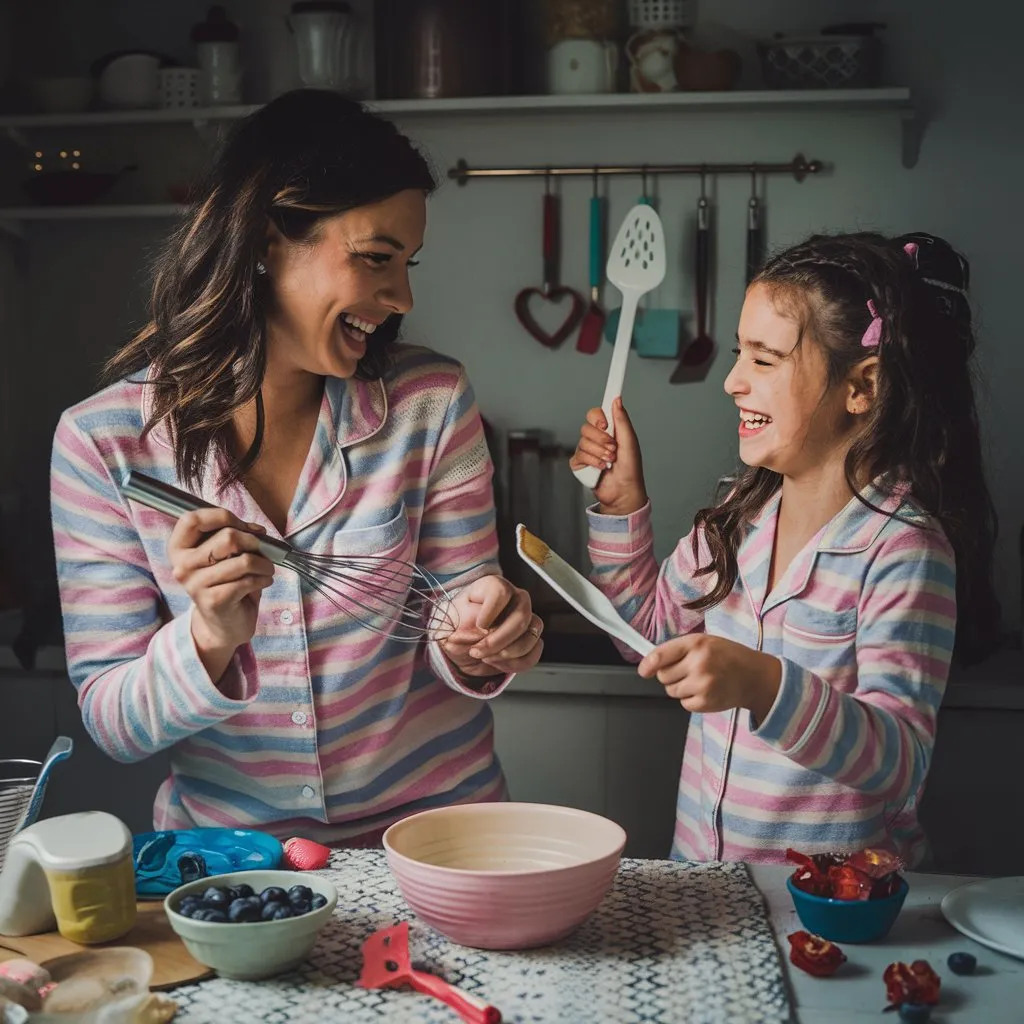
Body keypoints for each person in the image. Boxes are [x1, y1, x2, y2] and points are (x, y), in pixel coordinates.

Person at [50, 89, 543, 845]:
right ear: (265, 239)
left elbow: (455, 610)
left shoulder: (430, 401)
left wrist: (480, 635)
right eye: (376, 258)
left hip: (442, 845)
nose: (402, 295)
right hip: (233, 864)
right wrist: (211, 634)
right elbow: (113, 723)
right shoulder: (101, 444)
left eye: (407, 264)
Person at [571, 231, 998, 866]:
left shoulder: (903, 548)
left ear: (863, 386)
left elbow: (900, 761)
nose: (733, 382)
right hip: (707, 890)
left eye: (764, 360)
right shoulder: (735, 520)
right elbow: (648, 634)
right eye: (739, 354)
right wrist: (621, 503)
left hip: (831, 910)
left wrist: (765, 685)